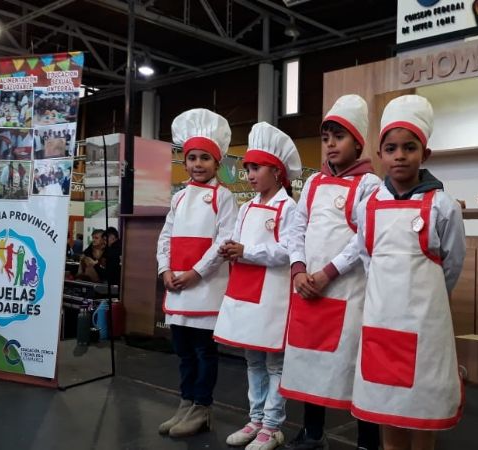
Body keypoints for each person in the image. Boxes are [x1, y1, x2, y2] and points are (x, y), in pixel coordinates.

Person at [351, 95, 466, 450]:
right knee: (386, 404)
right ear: (380, 155)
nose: (399, 155)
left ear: (424, 154)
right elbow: (367, 256)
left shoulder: (443, 206)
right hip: (381, 322)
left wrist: (429, 299)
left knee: (423, 407)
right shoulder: (368, 206)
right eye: (391, 148)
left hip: (425, 326)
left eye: (409, 147)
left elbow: (452, 263)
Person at [281, 95, 382, 450]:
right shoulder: (313, 183)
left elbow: (363, 238)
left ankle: (368, 441)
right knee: (309, 363)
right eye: (326, 138)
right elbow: (296, 229)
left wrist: (326, 273)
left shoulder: (369, 185)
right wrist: (298, 270)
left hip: (346, 291)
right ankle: (313, 432)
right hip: (308, 289)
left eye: (339, 137)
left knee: (354, 367)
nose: (330, 145)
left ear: (358, 143)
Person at [214, 122, 301, 450]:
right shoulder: (247, 207)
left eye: (256, 168)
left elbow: (289, 251)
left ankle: (272, 425)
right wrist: (227, 248)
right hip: (245, 289)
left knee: (274, 363)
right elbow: (236, 239)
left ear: (277, 172)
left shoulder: (288, 208)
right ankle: (255, 419)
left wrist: (246, 252)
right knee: (252, 360)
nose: (249, 175)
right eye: (248, 168)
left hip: (273, 295)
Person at [155, 109, 237, 439]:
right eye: (192, 158)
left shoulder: (224, 197)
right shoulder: (178, 197)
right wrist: (165, 269)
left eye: (205, 158)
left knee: (204, 352)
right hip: (177, 287)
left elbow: (223, 242)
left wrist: (195, 273)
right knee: (184, 352)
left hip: (205, 288)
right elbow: (165, 237)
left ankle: (202, 407)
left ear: (217, 163)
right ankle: (185, 402)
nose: (198, 164)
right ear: (184, 162)